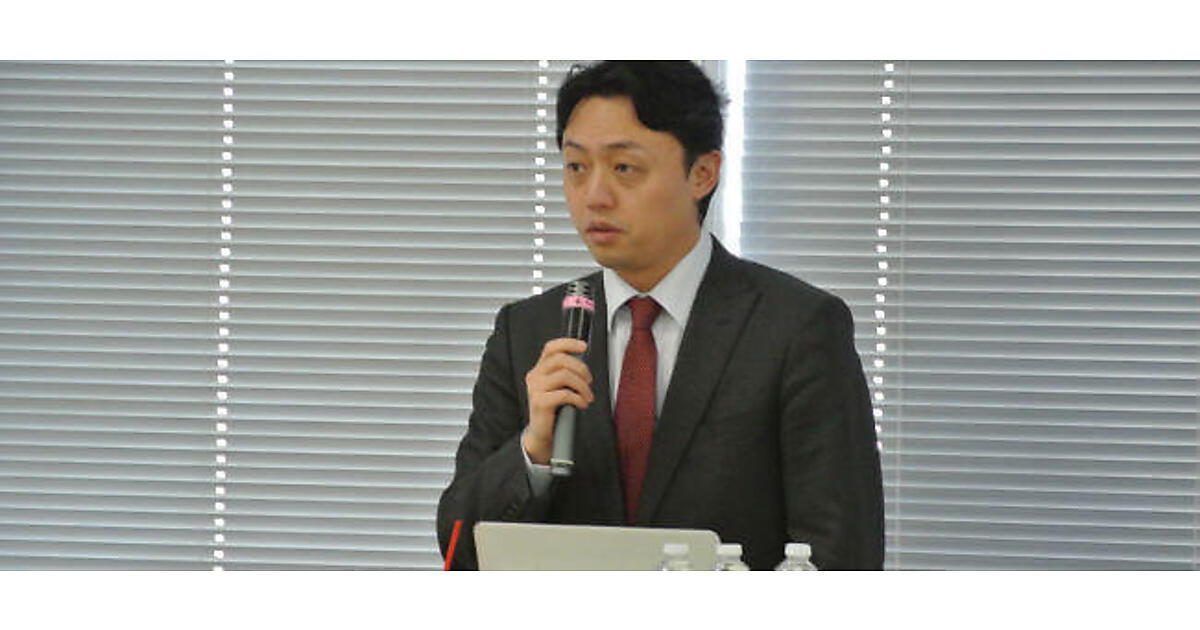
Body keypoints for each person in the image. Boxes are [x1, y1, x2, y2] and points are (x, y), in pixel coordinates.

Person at [437, 61, 883, 570]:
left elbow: (843, 556)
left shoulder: (797, 329)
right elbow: (458, 550)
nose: (594, 195)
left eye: (624, 168)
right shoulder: (527, 332)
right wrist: (532, 451)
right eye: (576, 167)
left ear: (703, 173)